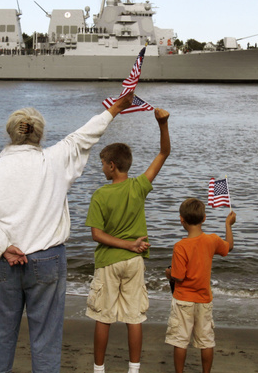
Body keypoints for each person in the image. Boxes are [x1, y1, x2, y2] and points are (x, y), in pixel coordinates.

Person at [0, 92, 133, 373]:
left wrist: (2, 245)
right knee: (46, 341)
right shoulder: (55, 160)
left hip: (2, 263)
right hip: (47, 261)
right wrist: (116, 107)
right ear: (39, 136)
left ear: (11, 135)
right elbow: (85, 135)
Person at [85, 107, 171, 373]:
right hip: (134, 262)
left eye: (102, 164)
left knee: (103, 317)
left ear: (112, 166)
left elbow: (96, 234)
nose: (101, 168)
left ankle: (99, 369)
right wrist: (163, 124)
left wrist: (125, 244)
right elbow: (164, 153)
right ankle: (134, 369)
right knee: (134, 317)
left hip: (109, 262)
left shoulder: (100, 194)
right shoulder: (138, 186)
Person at [164, 198, 236, 373]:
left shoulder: (180, 246)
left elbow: (179, 276)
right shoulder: (212, 240)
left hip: (183, 300)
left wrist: (169, 274)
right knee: (206, 341)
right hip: (204, 299)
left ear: (181, 219)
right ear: (204, 218)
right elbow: (229, 247)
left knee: (180, 341)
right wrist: (228, 224)